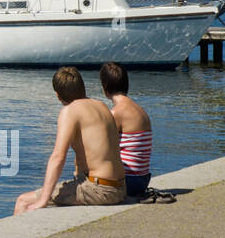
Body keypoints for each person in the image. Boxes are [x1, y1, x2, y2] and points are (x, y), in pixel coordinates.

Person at [14, 66, 126, 213]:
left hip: (100, 190)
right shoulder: (101, 106)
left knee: (23, 201)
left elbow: (58, 157)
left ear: (57, 95)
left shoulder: (70, 111)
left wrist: (43, 200)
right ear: (82, 88)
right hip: (120, 187)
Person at [99, 62, 162, 200]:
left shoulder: (116, 113)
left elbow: (103, 148)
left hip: (129, 181)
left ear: (105, 87)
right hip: (143, 179)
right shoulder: (140, 110)